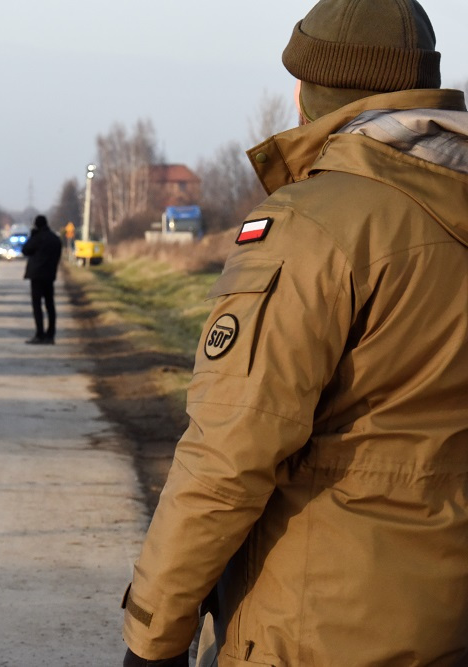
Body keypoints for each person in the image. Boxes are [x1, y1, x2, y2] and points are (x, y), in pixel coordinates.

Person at [121, 1, 468, 665]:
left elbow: (228, 454)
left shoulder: (312, 230)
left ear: (309, 94)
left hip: (318, 630)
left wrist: (154, 633)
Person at [21, 214, 62, 345]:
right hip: (49, 276)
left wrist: (32, 236)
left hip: (37, 276)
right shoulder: (55, 239)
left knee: (37, 306)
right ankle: (51, 335)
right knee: (50, 305)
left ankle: (40, 334)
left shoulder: (37, 238)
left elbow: (25, 250)